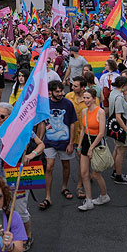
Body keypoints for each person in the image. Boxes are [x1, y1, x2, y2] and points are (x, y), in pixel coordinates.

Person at [0, 102, 44, 252]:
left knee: (19, 210)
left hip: (17, 176)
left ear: (10, 117)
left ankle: (27, 236)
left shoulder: (22, 130)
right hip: (0, 176)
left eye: (2, 116)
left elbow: (41, 145)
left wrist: (31, 155)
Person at [38, 80, 77, 209]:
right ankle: (48, 196)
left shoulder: (68, 104)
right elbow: (43, 123)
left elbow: (72, 123)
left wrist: (71, 142)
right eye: (57, 91)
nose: (60, 93)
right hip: (49, 142)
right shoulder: (45, 105)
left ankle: (64, 188)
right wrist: (39, 141)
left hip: (65, 142)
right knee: (49, 167)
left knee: (66, 165)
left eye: (61, 91)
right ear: (50, 92)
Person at [76, 87, 110, 211]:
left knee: (96, 173)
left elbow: (101, 133)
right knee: (84, 172)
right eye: (84, 98)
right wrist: (79, 145)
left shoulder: (100, 112)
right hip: (86, 140)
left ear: (94, 98)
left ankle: (104, 195)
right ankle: (89, 200)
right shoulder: (84, 111)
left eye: (88, 98)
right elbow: (83, 130)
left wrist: (91, 148)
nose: (85, 100)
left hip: (96, 142)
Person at [108, 75, 127, 184]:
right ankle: (118, 176)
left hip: (116, 128)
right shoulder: (118, 98)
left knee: (117, 149)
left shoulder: (113, 93)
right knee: (121, 152)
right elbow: (118, 116)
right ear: (123, 86)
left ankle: (115, 171)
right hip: (122, 128)